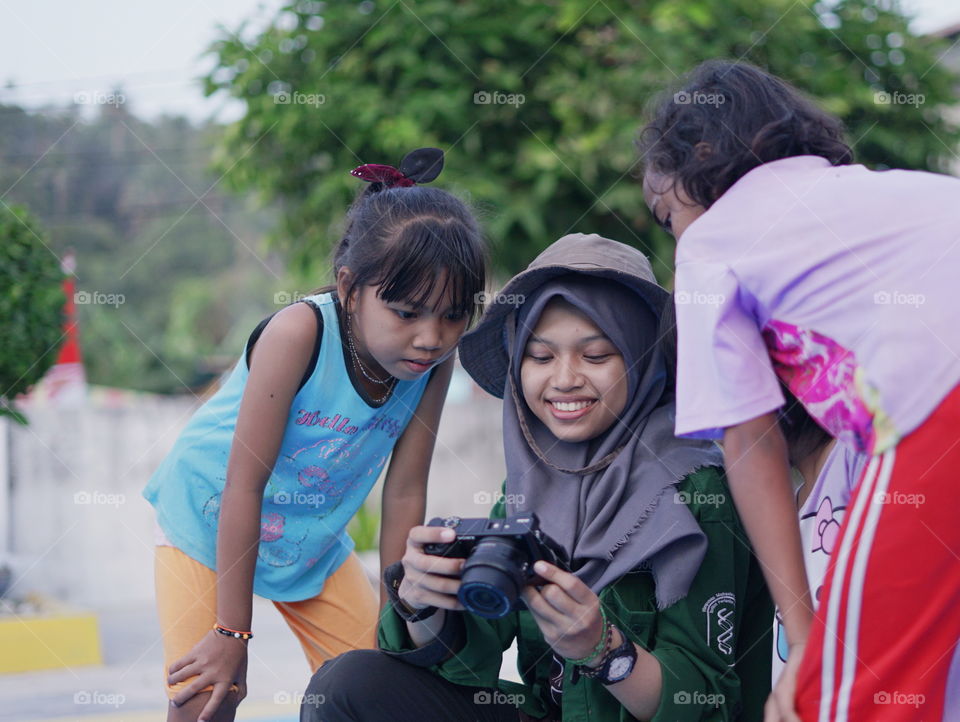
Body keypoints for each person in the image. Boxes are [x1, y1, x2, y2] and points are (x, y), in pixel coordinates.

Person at [301, 233, 772, 721]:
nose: (564, 379)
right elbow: (468, 658)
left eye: (596, 356)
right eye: (541, 357)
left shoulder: (697, 490)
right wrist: (424, 600)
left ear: (643, 360)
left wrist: (602, 650)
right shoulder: (532, 483)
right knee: (349, 684)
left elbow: (708, 702)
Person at [638, 59, 960, 721]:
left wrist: (806, 638)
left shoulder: (711, 245)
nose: (674, 236)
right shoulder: (871, 192)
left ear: (699, 164)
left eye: (666, 215)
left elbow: (749, 440)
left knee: (847, 689)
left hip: (937, 405)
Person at [142, 147, 488, 722]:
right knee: (207, 696)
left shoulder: (433, 365)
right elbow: (243, 484)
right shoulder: (298, 333)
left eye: (452, 315)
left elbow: (405, 491)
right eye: (407, 313)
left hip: (310, 539)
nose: (431, 337)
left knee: (379, 688)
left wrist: (396, 624)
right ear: (350, 288)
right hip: (208, 513)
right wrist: (232, 633)